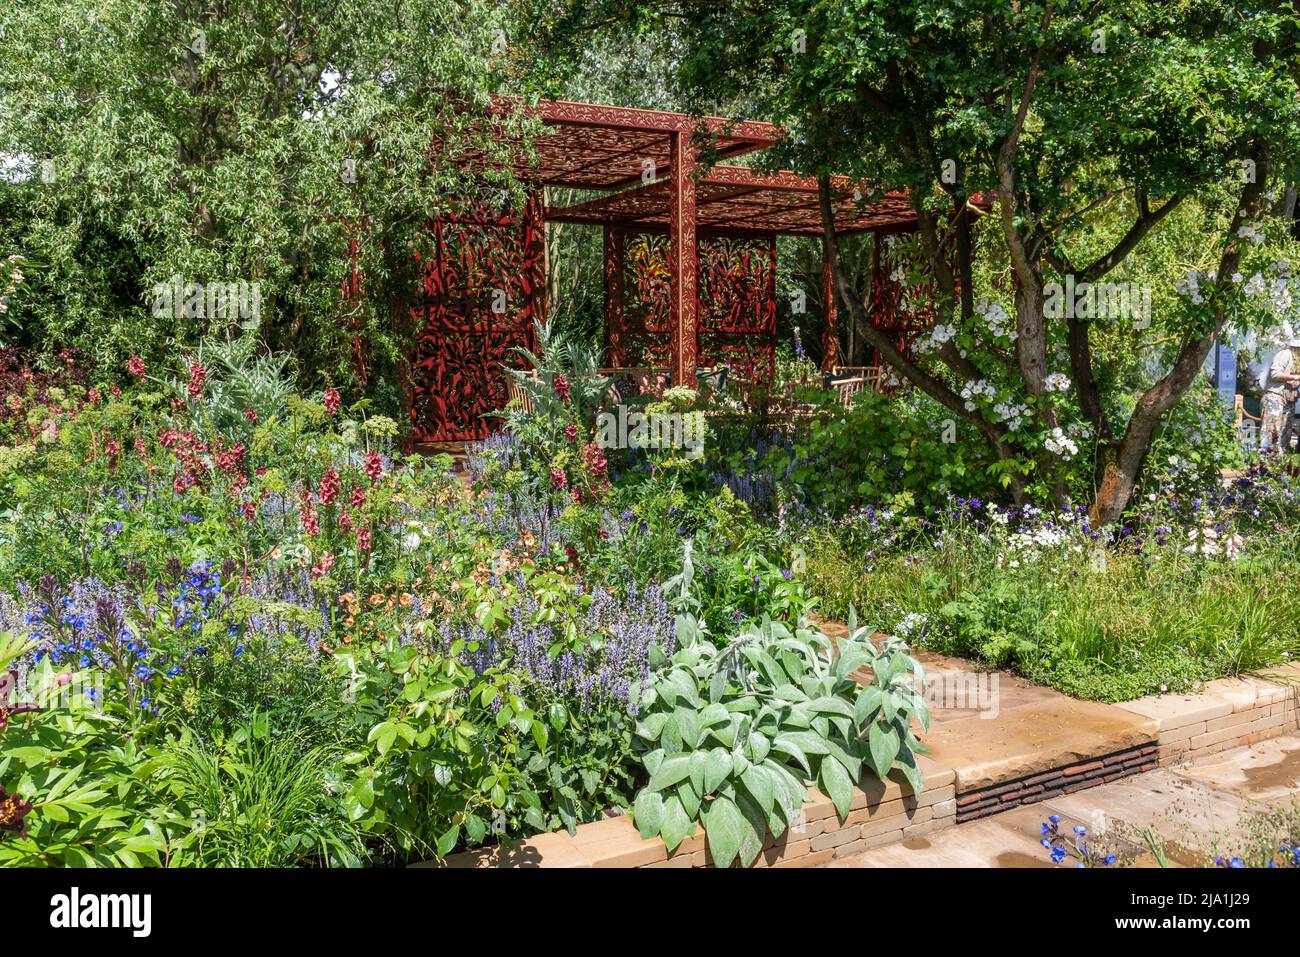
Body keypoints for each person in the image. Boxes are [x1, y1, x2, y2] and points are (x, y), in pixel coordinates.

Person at [1261, 338, 1300, 452]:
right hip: (1275, 396)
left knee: (1286, 431)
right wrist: (1296, 377)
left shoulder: (1297, 360)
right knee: (1270, 430)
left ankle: (1282, 460)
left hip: (1289, 399)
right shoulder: (1284, 354)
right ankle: (1265, 460)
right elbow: (1275, 373)